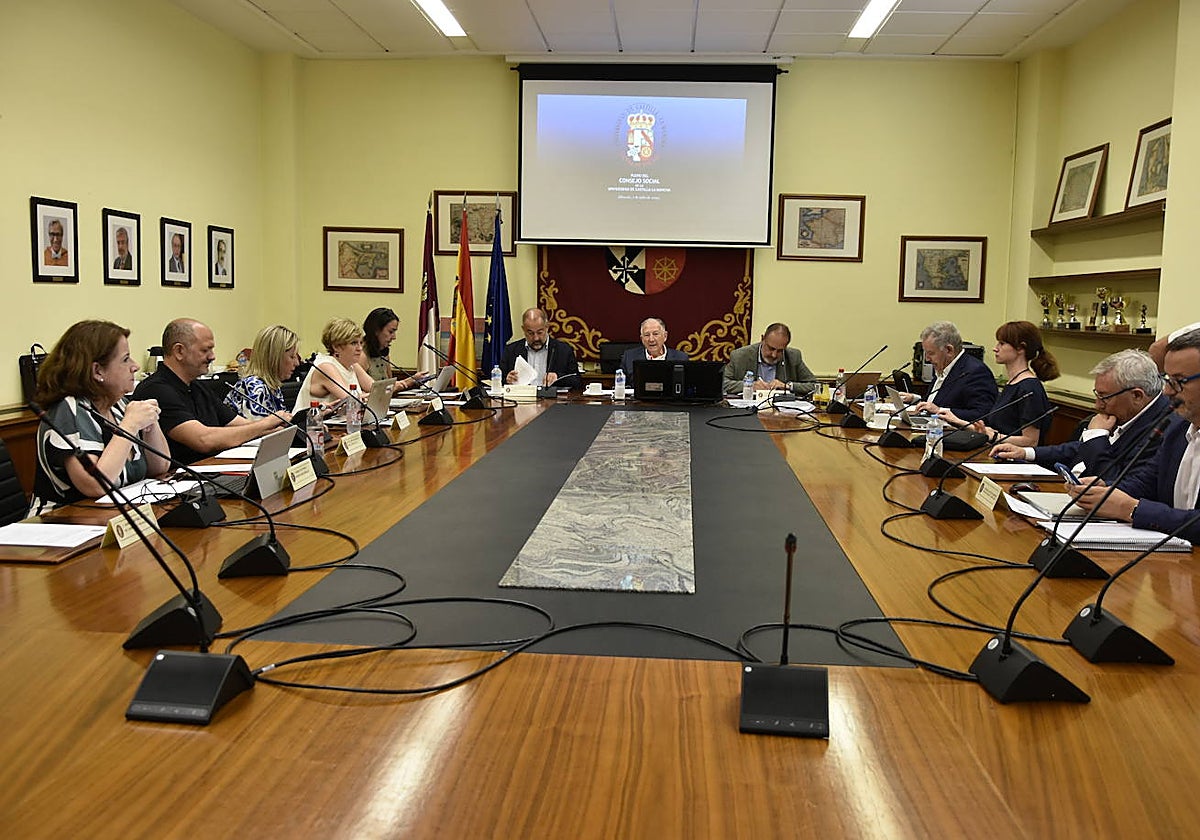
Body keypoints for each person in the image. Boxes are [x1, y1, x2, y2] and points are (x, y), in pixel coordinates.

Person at [1068, 327, 1200, 543]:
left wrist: (1131, 509)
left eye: (1179, 381)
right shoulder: (1177, 429)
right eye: (1166, 379)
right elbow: (1145, 482)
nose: (1167, 391)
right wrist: (1104, 490)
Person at [29, 320, 170, 514]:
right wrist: (129, 425)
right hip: (62, 525)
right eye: (125, 359)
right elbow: (95, 485)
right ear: (98, 371)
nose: (135, 366)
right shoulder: (68, 409)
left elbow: (160, 466)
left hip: (115, 517)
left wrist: (150, 423)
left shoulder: (119, 405)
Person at [990, 349, 1171, 480]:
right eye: (1097, 394)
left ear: (1137, 396)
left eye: (1104, 397)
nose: (1097, 405)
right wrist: (1025, 453)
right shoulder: (1127, 414)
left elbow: (1114, 481)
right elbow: (1079, 448)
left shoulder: (1162, 429)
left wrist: (1096, 435)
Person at [132, 318, 290, 463]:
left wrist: (278, 429)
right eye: (205, 350)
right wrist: (266, 423)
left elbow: (238, 426)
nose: (212, 356)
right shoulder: (155, 390)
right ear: (179, 351)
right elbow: (204, 440)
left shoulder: (197, 387)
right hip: (179, 483)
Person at [933, 321, 1055, 446]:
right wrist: (957, 421)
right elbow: (990, 431)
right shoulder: (1012, 383)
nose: (995, 348)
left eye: (1002, 344)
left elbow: (1030, 441)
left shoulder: (1029, 388)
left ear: (1020, 348)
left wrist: (994, 436)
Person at [908, 320, 997, 423]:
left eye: (931, 353)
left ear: (949, 350)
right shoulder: (943, 366)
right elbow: (937, 401)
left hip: (954, 435)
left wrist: (940, 411)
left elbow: (982, 414)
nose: (927, 359)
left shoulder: (975, 372)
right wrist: (915, 399)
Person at [293, 317, 378, 411]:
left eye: (360, 343)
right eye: (354, 343)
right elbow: (351, 399)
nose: (360, 348)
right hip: (311, 423)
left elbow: (376, 389)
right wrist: (369, 396)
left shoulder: (352, 364)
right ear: (336, 346)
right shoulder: (325, 366)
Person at [225, 325, 301, 418]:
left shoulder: (273, 387)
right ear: (274, 357)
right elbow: (259, 431)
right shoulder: (254, 387)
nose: (297, 363)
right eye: (292, 356)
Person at [722, 323, 817, 395]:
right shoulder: (740, 356)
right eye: (771, 348)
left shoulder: (793, 356)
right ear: (762, 339)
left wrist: (787, 386)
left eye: (780, 351)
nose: (774, 355)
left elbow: (814, 386)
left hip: (780, 413)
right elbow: (723, 384)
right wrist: (750, 385)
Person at [500, 308, 580, 387]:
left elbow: (576, 381)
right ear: (523, 329)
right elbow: (498, 380)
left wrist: (557, 377)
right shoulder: (510, 350)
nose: (536, 338)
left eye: (540, 332)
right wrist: (507, 380)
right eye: (530, 333)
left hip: (552, 399)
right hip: (521, 398)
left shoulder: (564, 350)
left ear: (547, 327)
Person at [362, 307, 428, 388]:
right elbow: (367, 389)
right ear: (376, 330)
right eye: (390, 332)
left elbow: (390, 386)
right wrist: (408, 382)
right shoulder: (361, 354)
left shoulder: (383, 352)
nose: (394, 337)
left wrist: (412, 380)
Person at [619, 317, 688, 375]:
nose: (651, 339)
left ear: (665, 336)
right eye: (647, 335)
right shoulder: (629, 357)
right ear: (642, 338)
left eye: (655, 334)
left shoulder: (681, 358)